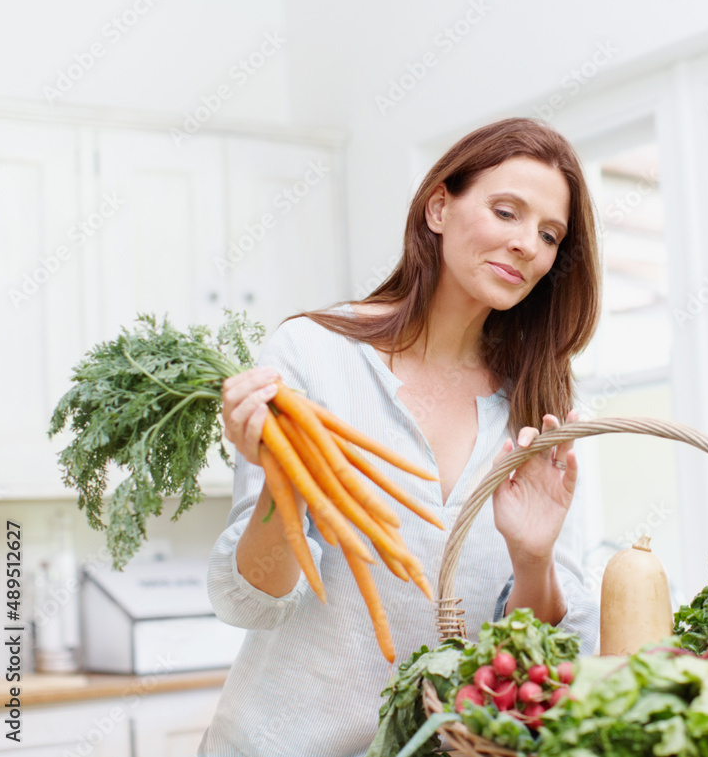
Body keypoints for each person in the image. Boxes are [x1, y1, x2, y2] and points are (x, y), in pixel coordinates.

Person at [198, 117, 603, 756]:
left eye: (550, 234)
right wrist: (285, 477)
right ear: (439, 206)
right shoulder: (313, 353)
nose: (528, 244)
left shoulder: (542, 406)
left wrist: (532, 559)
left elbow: (546, 655)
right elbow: (254, 600)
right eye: (506, 211)